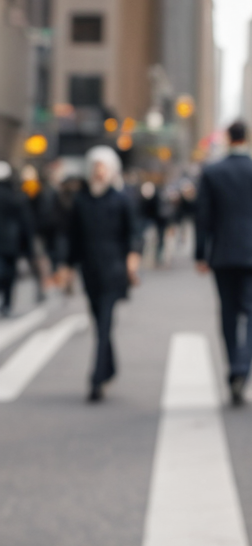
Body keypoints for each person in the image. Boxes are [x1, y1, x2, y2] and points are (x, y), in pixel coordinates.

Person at [195, 120, 252, 406]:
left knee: (228, 314)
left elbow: (203, 218)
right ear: (248, 138)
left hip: (223, 253)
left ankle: (233, 366)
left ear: (228, 138)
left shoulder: (212, 172)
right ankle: (243, 367)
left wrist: (200, 254)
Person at [63, 146, 142, 401]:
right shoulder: (81, 201)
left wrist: (132, 260)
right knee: (99, 322)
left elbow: (133, 234)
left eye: (103, 167)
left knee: (105, 322)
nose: (99, 172)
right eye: (96, 166)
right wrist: (67, 268)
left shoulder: (121, 199)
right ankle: (109, 368)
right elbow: (73, 238)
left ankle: (96, 378)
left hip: (114, 269)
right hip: (89, 269)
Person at [0, 161, 34, 316]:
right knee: (9, 273)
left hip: (8, 241)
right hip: (11, 242)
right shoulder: (17, 196)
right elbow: (26, 222)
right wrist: (28, 247)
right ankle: (7, 302)